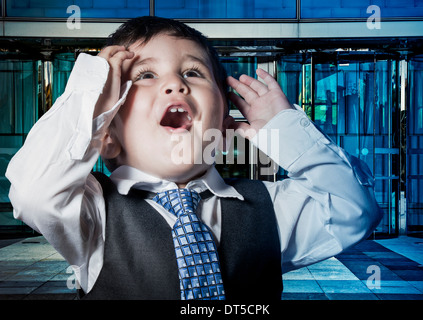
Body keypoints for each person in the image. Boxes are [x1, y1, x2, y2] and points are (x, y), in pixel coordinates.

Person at [6, 16, 382, 300]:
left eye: (192, 72)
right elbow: (34, 192)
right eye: (146, 75)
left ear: (222, 121)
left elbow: (353, 208)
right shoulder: (92, 214)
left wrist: (281, 129)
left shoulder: (269, 207)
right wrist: (90, 98)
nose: (176, 84)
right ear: (108, 138)